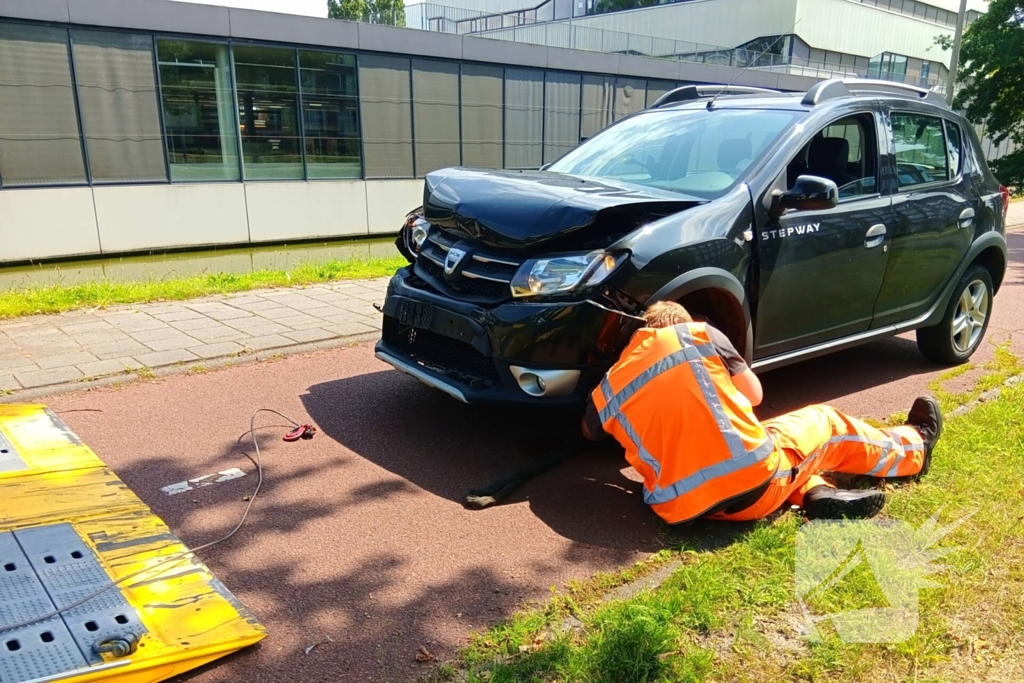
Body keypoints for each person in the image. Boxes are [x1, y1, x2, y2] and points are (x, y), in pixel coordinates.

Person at [581, 301, 942, 524]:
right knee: (826, 423)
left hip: (682, 508)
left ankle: (814, 493)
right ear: (684, 321)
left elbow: (589, 431)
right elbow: (753, 395)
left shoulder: (613, 382)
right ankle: (915, 448)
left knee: (776, 449)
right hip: (754, 489)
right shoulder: (699, 335)